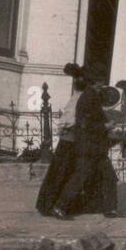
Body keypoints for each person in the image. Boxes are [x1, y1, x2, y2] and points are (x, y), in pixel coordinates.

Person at [51, 76, 121, 219]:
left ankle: (110, 209)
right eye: (100, 83)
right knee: (80, 178)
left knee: (109, 177)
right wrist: (106, 126)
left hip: (95, 148)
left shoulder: (91, 95)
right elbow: (86, 125)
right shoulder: (88, 97)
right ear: (96, 81)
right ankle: (59, 207)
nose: (102, 85)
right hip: (88, 147)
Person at [35, 62, 86, 216]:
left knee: (59, 170)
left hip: (67, 135)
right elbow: (71, 118)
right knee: (63, 171)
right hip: (71, 136)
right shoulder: (81, 96)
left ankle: (47, 204)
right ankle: (51, 204)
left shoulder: (77, 94)